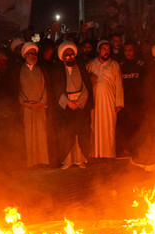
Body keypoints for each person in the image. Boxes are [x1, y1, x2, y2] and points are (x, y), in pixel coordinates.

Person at [49, 41, 92, 169]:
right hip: (66, 107)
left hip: (79, 105)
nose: (70, 57)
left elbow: (86, 87)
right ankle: (67, 160)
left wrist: (79, 102)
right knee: (67, 133)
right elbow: (57, 90)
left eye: (72, 54)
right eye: (67, 55)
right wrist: (68, 102)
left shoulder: (80, 67)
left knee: (80, 133)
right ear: (62, 57)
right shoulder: (58, 71)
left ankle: (80, 159)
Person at [87, 39, 124, 158]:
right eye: (104, 49)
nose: (106, 51)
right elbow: (82, 80)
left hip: (109, 101)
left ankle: (108, 153)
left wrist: (118, 103)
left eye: (108, 49)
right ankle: (95, 153)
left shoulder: (114, 65)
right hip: (95, 101)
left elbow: (119, 84)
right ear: (98, 51)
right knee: (95, 126)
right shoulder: (90, 64)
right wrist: (89, 79)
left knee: (108, 127)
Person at [18, 41, 50, 167]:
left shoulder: (40, 70)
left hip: (40, 107)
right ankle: (31, 163)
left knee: (41, 134)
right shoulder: (20, 71)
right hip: (27, 108)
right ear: (25, 55)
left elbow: (45, 87)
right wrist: (26, 104)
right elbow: (18, 90)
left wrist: (41, 102)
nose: (32, 56)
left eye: (34, 54)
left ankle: (43, 160)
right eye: (30, 54)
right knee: (29, 136)